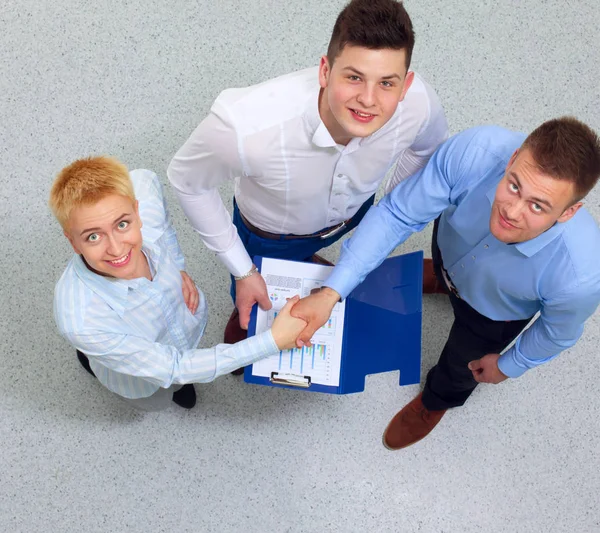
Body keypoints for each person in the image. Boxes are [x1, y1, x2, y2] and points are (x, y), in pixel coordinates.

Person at [291, 116, 600, 449]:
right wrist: (333, 290)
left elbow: (557, 332)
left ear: (568, 212)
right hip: (448, 252)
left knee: (461, 366)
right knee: (441, 265)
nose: (512, 212)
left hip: (492, 315)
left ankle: (436, 401)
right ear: (512, 160)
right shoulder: (476, 151)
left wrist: (510, 365)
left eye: (537, 206)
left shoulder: (581, 275)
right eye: (513, 186)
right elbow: (398, 214)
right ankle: (441, 279)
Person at [167, 0, 448, 356]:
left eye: (387, 84)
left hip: (356, 212)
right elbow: (186, 179)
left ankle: (341, 271)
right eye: (354, 77)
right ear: (324, 71)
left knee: (355, 262)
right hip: (270, 236)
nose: (368, 100)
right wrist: (242, 271)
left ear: (405, 85)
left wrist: (384, 215)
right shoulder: (245, 127)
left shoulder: (419, 104)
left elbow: (425, 150)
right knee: (253, 313)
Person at [49, 156, 306, 411]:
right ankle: (93, 357)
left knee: (179, 376)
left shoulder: (141, 196)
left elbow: (146, 178)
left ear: (137, 213)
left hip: (181, 331)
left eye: (122, 224)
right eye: (93, 236)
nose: (116, 249)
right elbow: (174, 367)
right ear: (73, 242)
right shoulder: (82, 323)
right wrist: (273, 341)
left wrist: (178, 266)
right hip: (141, 380)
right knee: (157, 399)